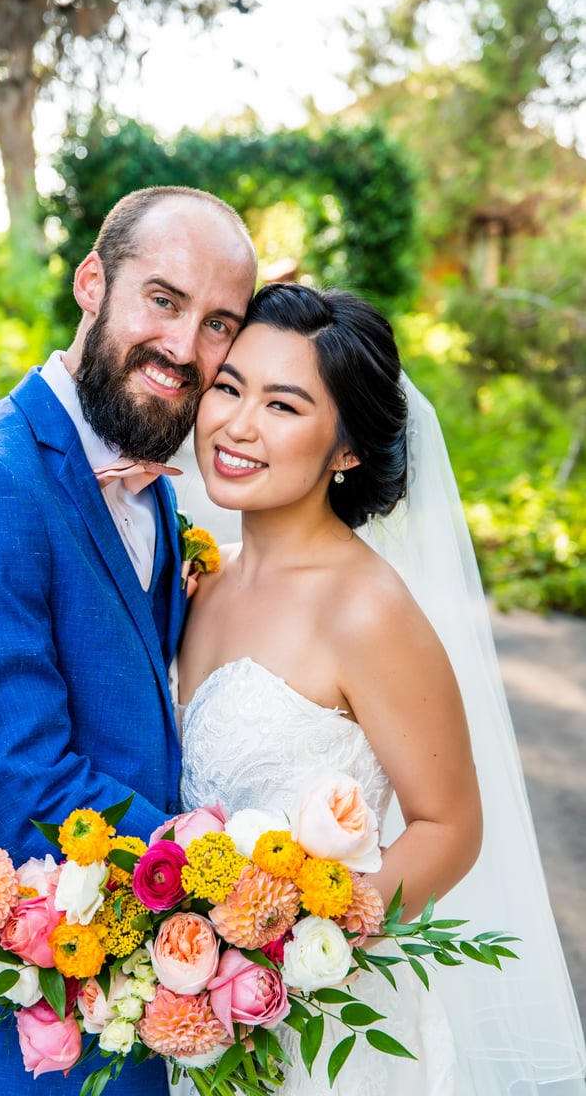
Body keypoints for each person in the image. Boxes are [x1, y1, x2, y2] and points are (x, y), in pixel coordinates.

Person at [0, 186, 258, 1096]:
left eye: (219, 324)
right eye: (163, 299)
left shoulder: (153, 489)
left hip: (129, 998)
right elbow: (26, 782)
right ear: (91, 283)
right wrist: (248, 879)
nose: (184, 347)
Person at [176, 282, 586, 1094]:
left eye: (283, 405)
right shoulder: (202, 574)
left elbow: (449, 826)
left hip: (318, 1028)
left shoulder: (367, 610)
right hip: (193, 1015)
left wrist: (291, 949)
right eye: (229, 387)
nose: (238, 426)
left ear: (348, 450)